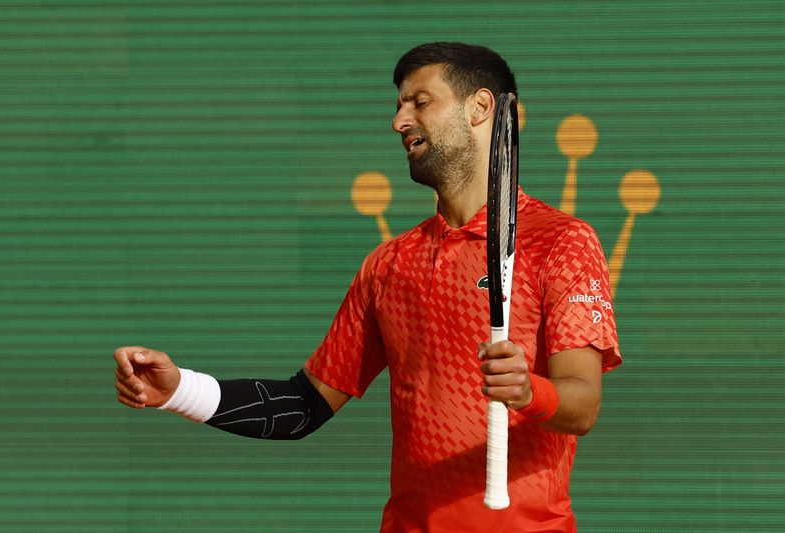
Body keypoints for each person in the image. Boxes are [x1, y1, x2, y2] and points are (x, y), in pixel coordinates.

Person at [114, 42, 621, 532]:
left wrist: (529, 391)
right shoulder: (388, 265)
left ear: (480, 107)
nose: (399, 121)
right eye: (399, 106)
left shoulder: (563, 242)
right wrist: (178, 390)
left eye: (420, 102)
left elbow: (583, 405)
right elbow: (302, 407)